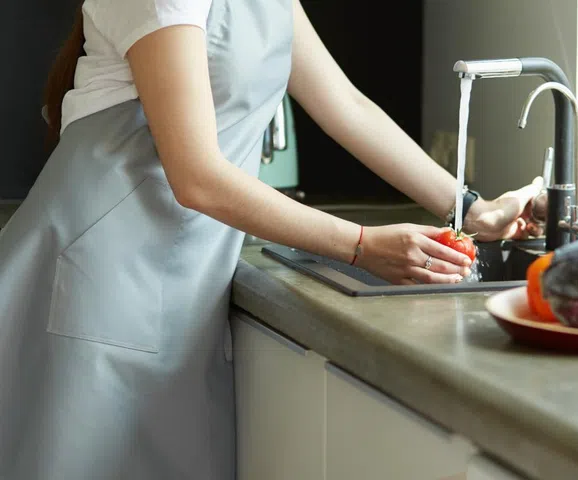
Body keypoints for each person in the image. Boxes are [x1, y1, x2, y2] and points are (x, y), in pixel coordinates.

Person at [0, 0, 543, 478]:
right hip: (94, 282)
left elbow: (347, 108)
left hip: (171, 285)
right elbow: (198, 177)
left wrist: (474, 209)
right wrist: (361, 243)